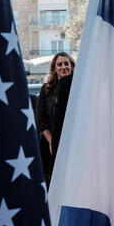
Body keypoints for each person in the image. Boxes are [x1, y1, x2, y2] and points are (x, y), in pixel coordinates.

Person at [35, 52, 75, 187]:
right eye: (59, 64)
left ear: (72, 66)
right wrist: (53, 141)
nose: (63, 67)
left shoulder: (80, 88)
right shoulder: (46, 89)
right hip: (51, 144)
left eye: (66, 63)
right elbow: (40, 118)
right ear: (54, 68)